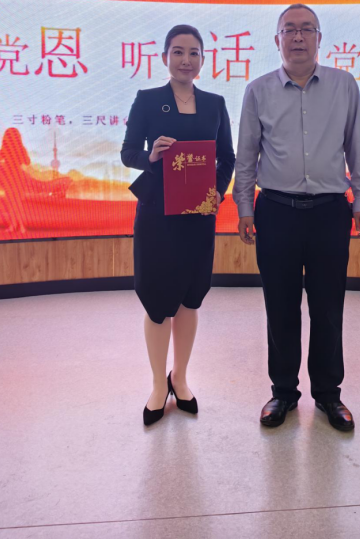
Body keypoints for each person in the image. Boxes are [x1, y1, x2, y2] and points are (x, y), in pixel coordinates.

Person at [233, 4, 360, 431]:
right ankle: (283, 393)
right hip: (276, 211)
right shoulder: (258, 91)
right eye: (289, 30)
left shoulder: (344, 85)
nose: (298, 37)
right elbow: (246, 157)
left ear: (319, 38)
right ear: (277, 40)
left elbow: (358, 145)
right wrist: (244, 206)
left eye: (306, 29)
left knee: (328, 307)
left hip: (330, 211)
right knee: (280, 306)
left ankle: (329, 394)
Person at [121, 24, 235, 426]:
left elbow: (227, 157)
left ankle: (180, 378)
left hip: (198, 216)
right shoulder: (148, 100)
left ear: (203, 59)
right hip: (157, 215)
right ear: (165, 57)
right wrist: (151, 156)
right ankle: (158, 385)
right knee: (158, 302)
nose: (186, 60)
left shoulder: (215, 104)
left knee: (190, 298)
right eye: (178, 52)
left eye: (194, 53)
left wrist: (217, 191)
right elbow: (128, 152)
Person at [0, 128, 31, 236]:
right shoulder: (21, 148)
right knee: (18, 203)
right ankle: (20, 226)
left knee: (11, 203)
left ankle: (14, 225)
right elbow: (27, 162)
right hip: (18, 176)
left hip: (8, 176)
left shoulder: (5, 148)